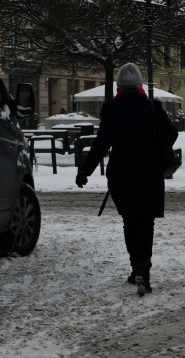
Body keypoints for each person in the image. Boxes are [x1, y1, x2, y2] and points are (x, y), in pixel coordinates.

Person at [76, 63, 178, 296]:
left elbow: (100, 144)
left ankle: (136, 266)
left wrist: (85, 172)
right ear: (140, 85)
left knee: (130, 222)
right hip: (149, 173)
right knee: (146, 222)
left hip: (122, 174)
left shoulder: (111, 110)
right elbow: (171, 134)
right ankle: (144, 267)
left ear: (119, 87)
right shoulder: (152, 107)